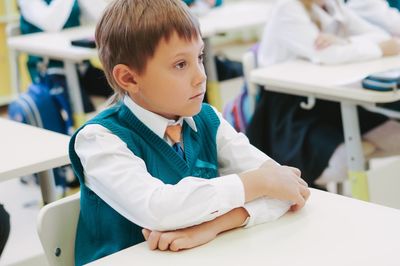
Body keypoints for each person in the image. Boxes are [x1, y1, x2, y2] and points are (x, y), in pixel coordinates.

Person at [69, 0, 310, 264]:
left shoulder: (207, 119)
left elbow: (288, 189)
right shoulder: (99, 140)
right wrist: (257, 183)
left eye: (200, 58)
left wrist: (213, 226)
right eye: (180, 65)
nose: (201, 77)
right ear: (129, 78)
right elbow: (158, 208)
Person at [247, 0, 400, 188]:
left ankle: (358, 148)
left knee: (395, 139)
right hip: (290, 110)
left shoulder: (331, 5)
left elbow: (380, 35)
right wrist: (381, 48)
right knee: (344, 161)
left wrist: (348, 41)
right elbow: (328, 54)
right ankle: (355, 150)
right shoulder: (287, 8)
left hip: (329, 99)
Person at [18, 0, 113, 112]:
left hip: (80, 67)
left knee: (119, 89)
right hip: (48, 70)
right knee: (83, 107)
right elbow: (52, 24)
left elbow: (102, 18)